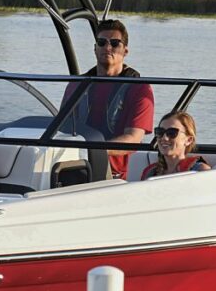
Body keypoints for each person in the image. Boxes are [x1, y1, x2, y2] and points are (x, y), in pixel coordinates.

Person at [60, 19, 154, 179]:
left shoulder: (140, 88)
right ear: (95, 48)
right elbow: (62, 129)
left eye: (115, 43)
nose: (108, 48)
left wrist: (93, 150)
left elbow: (133, 138)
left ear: (125, 50)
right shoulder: (76, 85)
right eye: (102, 42)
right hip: (74, 166)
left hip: (117, 176)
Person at [140, 112, 212, 179]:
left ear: (188, 140)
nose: (164, 138)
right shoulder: (151, 173)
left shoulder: (200, 171)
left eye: (172, 133)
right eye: (160, 132)